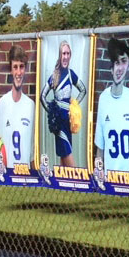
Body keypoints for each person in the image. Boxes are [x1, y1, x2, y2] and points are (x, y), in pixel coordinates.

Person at [94, 38, 129, 173]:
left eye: (123, 62)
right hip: (108, 180)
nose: (120, 68)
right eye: (116, 63)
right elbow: (100, 148)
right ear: (111, 68)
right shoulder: (103, 98)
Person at [40, 39, 87, 168]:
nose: (65, 57)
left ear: (70, 55)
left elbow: (83, 90)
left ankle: (63, 183)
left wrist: (74, 105)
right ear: (59, 56)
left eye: (67, 54)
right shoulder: (54, 76)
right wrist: (51, 111)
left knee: (64, 156)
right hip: (59, 123)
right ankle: (78, 179)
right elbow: (42, 96)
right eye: (63, 54)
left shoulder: (71, 75)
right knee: (67, 153)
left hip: (69, 121)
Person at [0, 44, 35, 169]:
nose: (18, 72)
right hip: (8, 178)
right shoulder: (2, 103)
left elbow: (33, 151)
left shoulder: (31, 106)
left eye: (21, 67)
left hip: (26, 176)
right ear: (11, 70)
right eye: (15, 67)